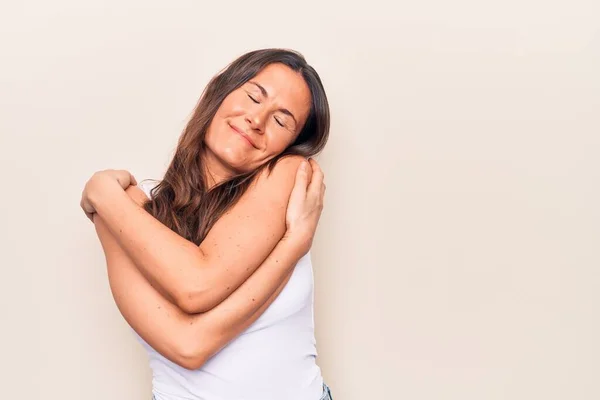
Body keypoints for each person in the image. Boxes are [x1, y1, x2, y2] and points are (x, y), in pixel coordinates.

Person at [80, 48, 333, 400]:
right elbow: (188, 345)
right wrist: (293, 246)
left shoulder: (286, 174)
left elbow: (198, 284)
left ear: (291, 144)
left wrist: (102, 195)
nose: (257, 120)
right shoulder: (134, 206)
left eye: (281, 121)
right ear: (220, 91)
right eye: (253, 96)